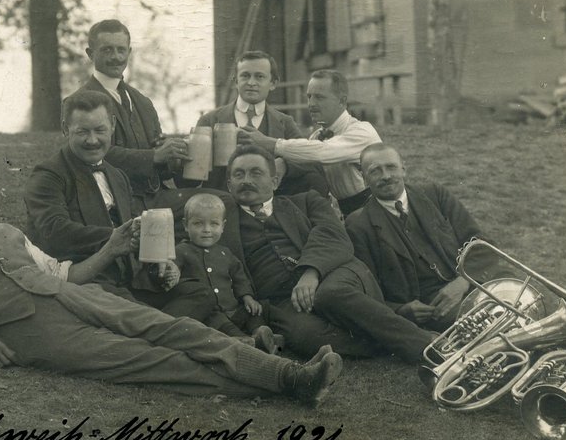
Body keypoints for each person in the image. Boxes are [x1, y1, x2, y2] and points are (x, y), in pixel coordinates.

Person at [0, 162, 343, 405]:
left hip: (73, 296)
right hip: (26, 329)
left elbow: (63, 274)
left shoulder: (8, 232)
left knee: (170, 327)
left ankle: (290, 373)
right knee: (151, 360)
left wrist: (112, 248)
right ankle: (287, 383)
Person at [195, 145, 435, 364]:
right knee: (305, 336)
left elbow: (333, 234)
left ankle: (428, 346)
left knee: (330, 294)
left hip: (334, 273)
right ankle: (392, 340)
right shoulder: (219, 223)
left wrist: (311, 272)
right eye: (239, 175)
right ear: (229, 186)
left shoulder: (306, 201)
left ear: (275, 181)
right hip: (281, 300)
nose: (247, 180)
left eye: (256, 173)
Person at [24, 90, 214, 323]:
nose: (92, 140)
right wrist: (115, 238)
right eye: (82, 132)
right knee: (147, 315)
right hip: (89, 282)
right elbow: (54, 231)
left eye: (100, 130)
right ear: (65, 129)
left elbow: (134, 228)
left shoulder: (118, 176)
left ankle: (149, 329)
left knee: (201, 294)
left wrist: (161, 261)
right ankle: (156, 328)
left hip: (129, 281)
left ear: (112, 126)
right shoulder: (48, 175)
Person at [345, 143, 506, 331]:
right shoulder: (358, 224)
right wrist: (401, 310)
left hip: (469, 280)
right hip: (432, 307)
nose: (386, 176)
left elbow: (481, 243)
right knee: (489, 321)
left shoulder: (434, 194)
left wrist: (463, 282)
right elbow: (367, 289)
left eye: (391, 167)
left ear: (403, 169)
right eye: (375, 171)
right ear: (364, 179)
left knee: (517, 293)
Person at [71, 19, 191, 212]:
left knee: (220, 201)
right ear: (90, 54)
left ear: (129, 52)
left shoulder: (143, 102)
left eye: (121, 50)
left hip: (155, 198)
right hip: (115, 203)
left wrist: (174, 158)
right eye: (107, 50)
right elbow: (94, 154)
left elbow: (159, 165)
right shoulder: (77, 102)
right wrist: (154, 156)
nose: (116, 57)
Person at [239, 69, 382, 215]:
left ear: (342, 101)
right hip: (348, 213)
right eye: (309, 97)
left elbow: (323, 152)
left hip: (378, 209)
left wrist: (270, 143)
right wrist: (283, 164)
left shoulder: (362, 131)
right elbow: (307, 159)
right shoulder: (317, 137)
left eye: (319, 97)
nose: (311, 103)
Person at [195, 50, 328, 196]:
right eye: (245, 76)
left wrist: (284, 165)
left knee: (314, 180)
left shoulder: (284, 122)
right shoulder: (210, 120)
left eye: (259, 76)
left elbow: (310, 160)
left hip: (270, 203)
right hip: (223, 202)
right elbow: (193, 176)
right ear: (236, 81)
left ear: (273, 83)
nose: (251, 83)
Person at [173, 193, 282, 354]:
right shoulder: (182, 251)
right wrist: (172, 270)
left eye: (214, 224)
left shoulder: (226, 253)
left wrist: (247, 297)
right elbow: (172, 270)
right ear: (186, 225)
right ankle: (246, 342)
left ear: (223, 226)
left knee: (253, 312)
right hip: (210, 312)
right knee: (218, 322)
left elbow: (239, 278)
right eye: (198, 224)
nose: (206, 230)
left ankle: (262, 333)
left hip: (232, 308)